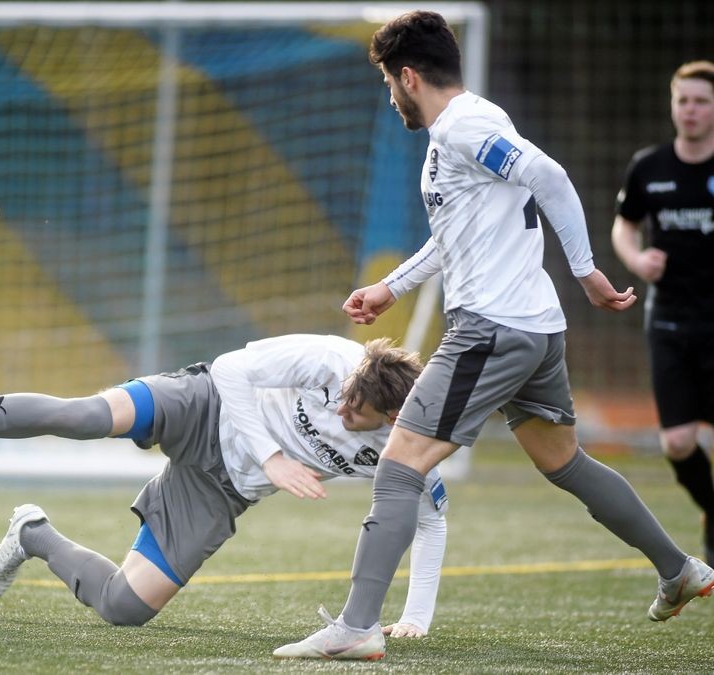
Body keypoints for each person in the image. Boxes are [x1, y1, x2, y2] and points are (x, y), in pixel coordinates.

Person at [272, 11, 714, 662]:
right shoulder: (475, 123)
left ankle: (357, 625)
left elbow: (552, 178)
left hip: (493, 328)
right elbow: (458, 232)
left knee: (398, 465)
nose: (391, 98)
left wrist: (587, 269)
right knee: (564, 460)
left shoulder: (465, 128)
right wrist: (392, 286)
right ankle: (680, 568)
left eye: (390, 84)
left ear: (410, 76)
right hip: (533, 329)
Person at [0, 334, 448, 635]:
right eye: (344, 395)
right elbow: (229, 369)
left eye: (356, 413)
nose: (342, 409)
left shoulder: (407, 446)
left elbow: (429, 518)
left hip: (222, 488)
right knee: (83, 417)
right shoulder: (331, 359)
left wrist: (416, 617)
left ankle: (32, 534)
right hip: (205, 405)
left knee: (125, 607)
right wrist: (272, 456)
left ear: (392, 421)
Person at [612, 60, 714, 566]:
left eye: (701, 101)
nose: (691, 110)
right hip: (670, 321)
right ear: (673, 105)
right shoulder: (648, 167)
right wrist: (636, 259)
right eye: (683, 101)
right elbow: (624, 228)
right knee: (677, 442)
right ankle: (712, 510)